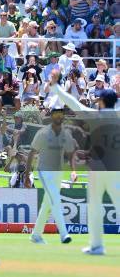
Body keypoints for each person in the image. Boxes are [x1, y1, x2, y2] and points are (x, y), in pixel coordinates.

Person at [47, 70, 119, 255]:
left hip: (97, 170)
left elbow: (72, 103)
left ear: (102, 102)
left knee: (94, 206)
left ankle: (96, 245)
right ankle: (95, 245)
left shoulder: (94, 115)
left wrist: (55, 86)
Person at [25, 106, 76, 245]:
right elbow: (31, 153)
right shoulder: (42, 133)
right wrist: (27, 174)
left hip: (58, 173)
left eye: (61, 115)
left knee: (48, 203)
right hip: (44, 171)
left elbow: (71, 153)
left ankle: (36, 235)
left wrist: (73, 170)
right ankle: (64, 234)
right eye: (57, 115)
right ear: (52, 116)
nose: (59, 117)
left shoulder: (66, 134)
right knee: (55, 199)